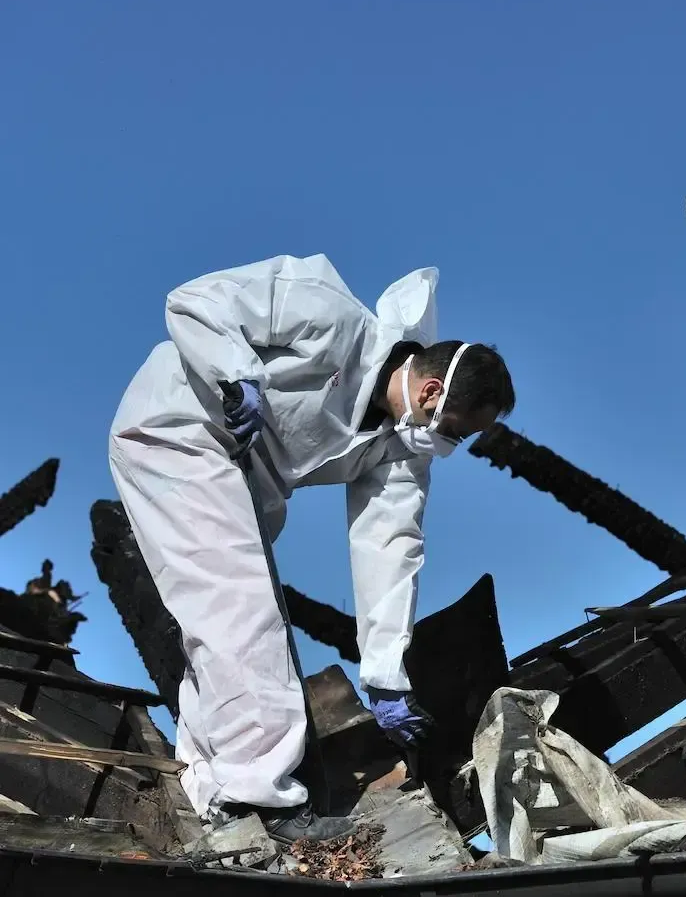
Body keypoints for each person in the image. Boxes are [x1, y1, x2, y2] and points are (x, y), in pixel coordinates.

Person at [108, 254, 514, 840]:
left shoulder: (400, 451)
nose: (451, 444)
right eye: (456, 429)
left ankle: (216, 790)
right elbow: (194, 300)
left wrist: (385, 676)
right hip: (177, 432)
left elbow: (390, 550)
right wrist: (234, 374)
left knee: (226, 626)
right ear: (431, 392)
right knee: (242, 614)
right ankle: (266, 802)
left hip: (241, 485)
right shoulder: (325, 311)